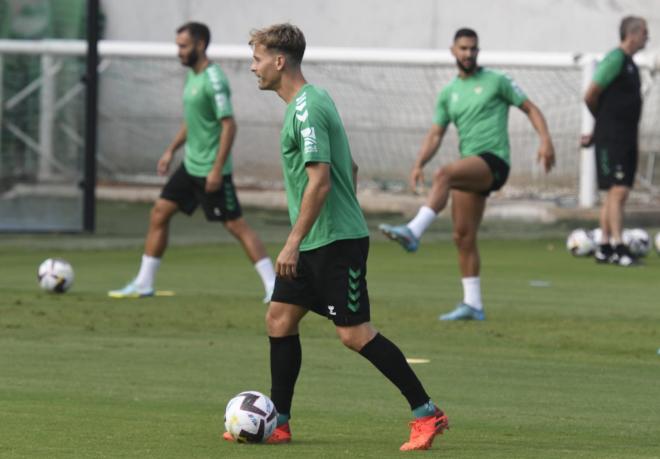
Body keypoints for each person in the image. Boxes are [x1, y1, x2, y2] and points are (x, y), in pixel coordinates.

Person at [223, 23, 449, 451]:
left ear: (279, 60)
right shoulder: (307, 104)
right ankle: (281, 422)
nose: (252, 67)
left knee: (354, 334)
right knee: (279, 319)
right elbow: (352, 166)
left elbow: (321, 181)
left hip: (333, 243)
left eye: (256, 59)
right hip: (314, 239)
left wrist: (293, 241)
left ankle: (426, 413)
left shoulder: (307, 107)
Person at [379, 28, 555, 321]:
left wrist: (546, 140)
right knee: (462, 236)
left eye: (473, 49)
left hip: (494, 162)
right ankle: (473, 304)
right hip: (469, 167)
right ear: (453, 51)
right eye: (463, 48)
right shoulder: (449, 93)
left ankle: (413, 231)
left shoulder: (497, 81)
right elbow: (436, 133)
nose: (469, 54)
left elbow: (530, 108)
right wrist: (418, 163)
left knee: (445, 174)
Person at [109, 22, 275, 301]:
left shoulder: (214, 79)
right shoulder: (193, 77)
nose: (179, 51)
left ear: (200, 45)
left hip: (212, 169)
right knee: (159, 212)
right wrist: (171, 150)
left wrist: (216, 170)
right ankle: (144, 283)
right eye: (178, 45)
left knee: (236, 225)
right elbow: (193, 121)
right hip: (190, 165)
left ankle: (273, 285)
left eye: (183, 46)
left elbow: (229, 125)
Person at [582, 16, 648, 267]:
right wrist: (603, 124)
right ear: (634, 33)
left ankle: (605, 246)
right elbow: (591, 94)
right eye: (645, 33)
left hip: (625, 137)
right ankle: (619, 246)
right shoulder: (615, 59)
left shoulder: (630, 64)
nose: (647, 38)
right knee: (617, 191)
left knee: (615, 192)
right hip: (614, 138)